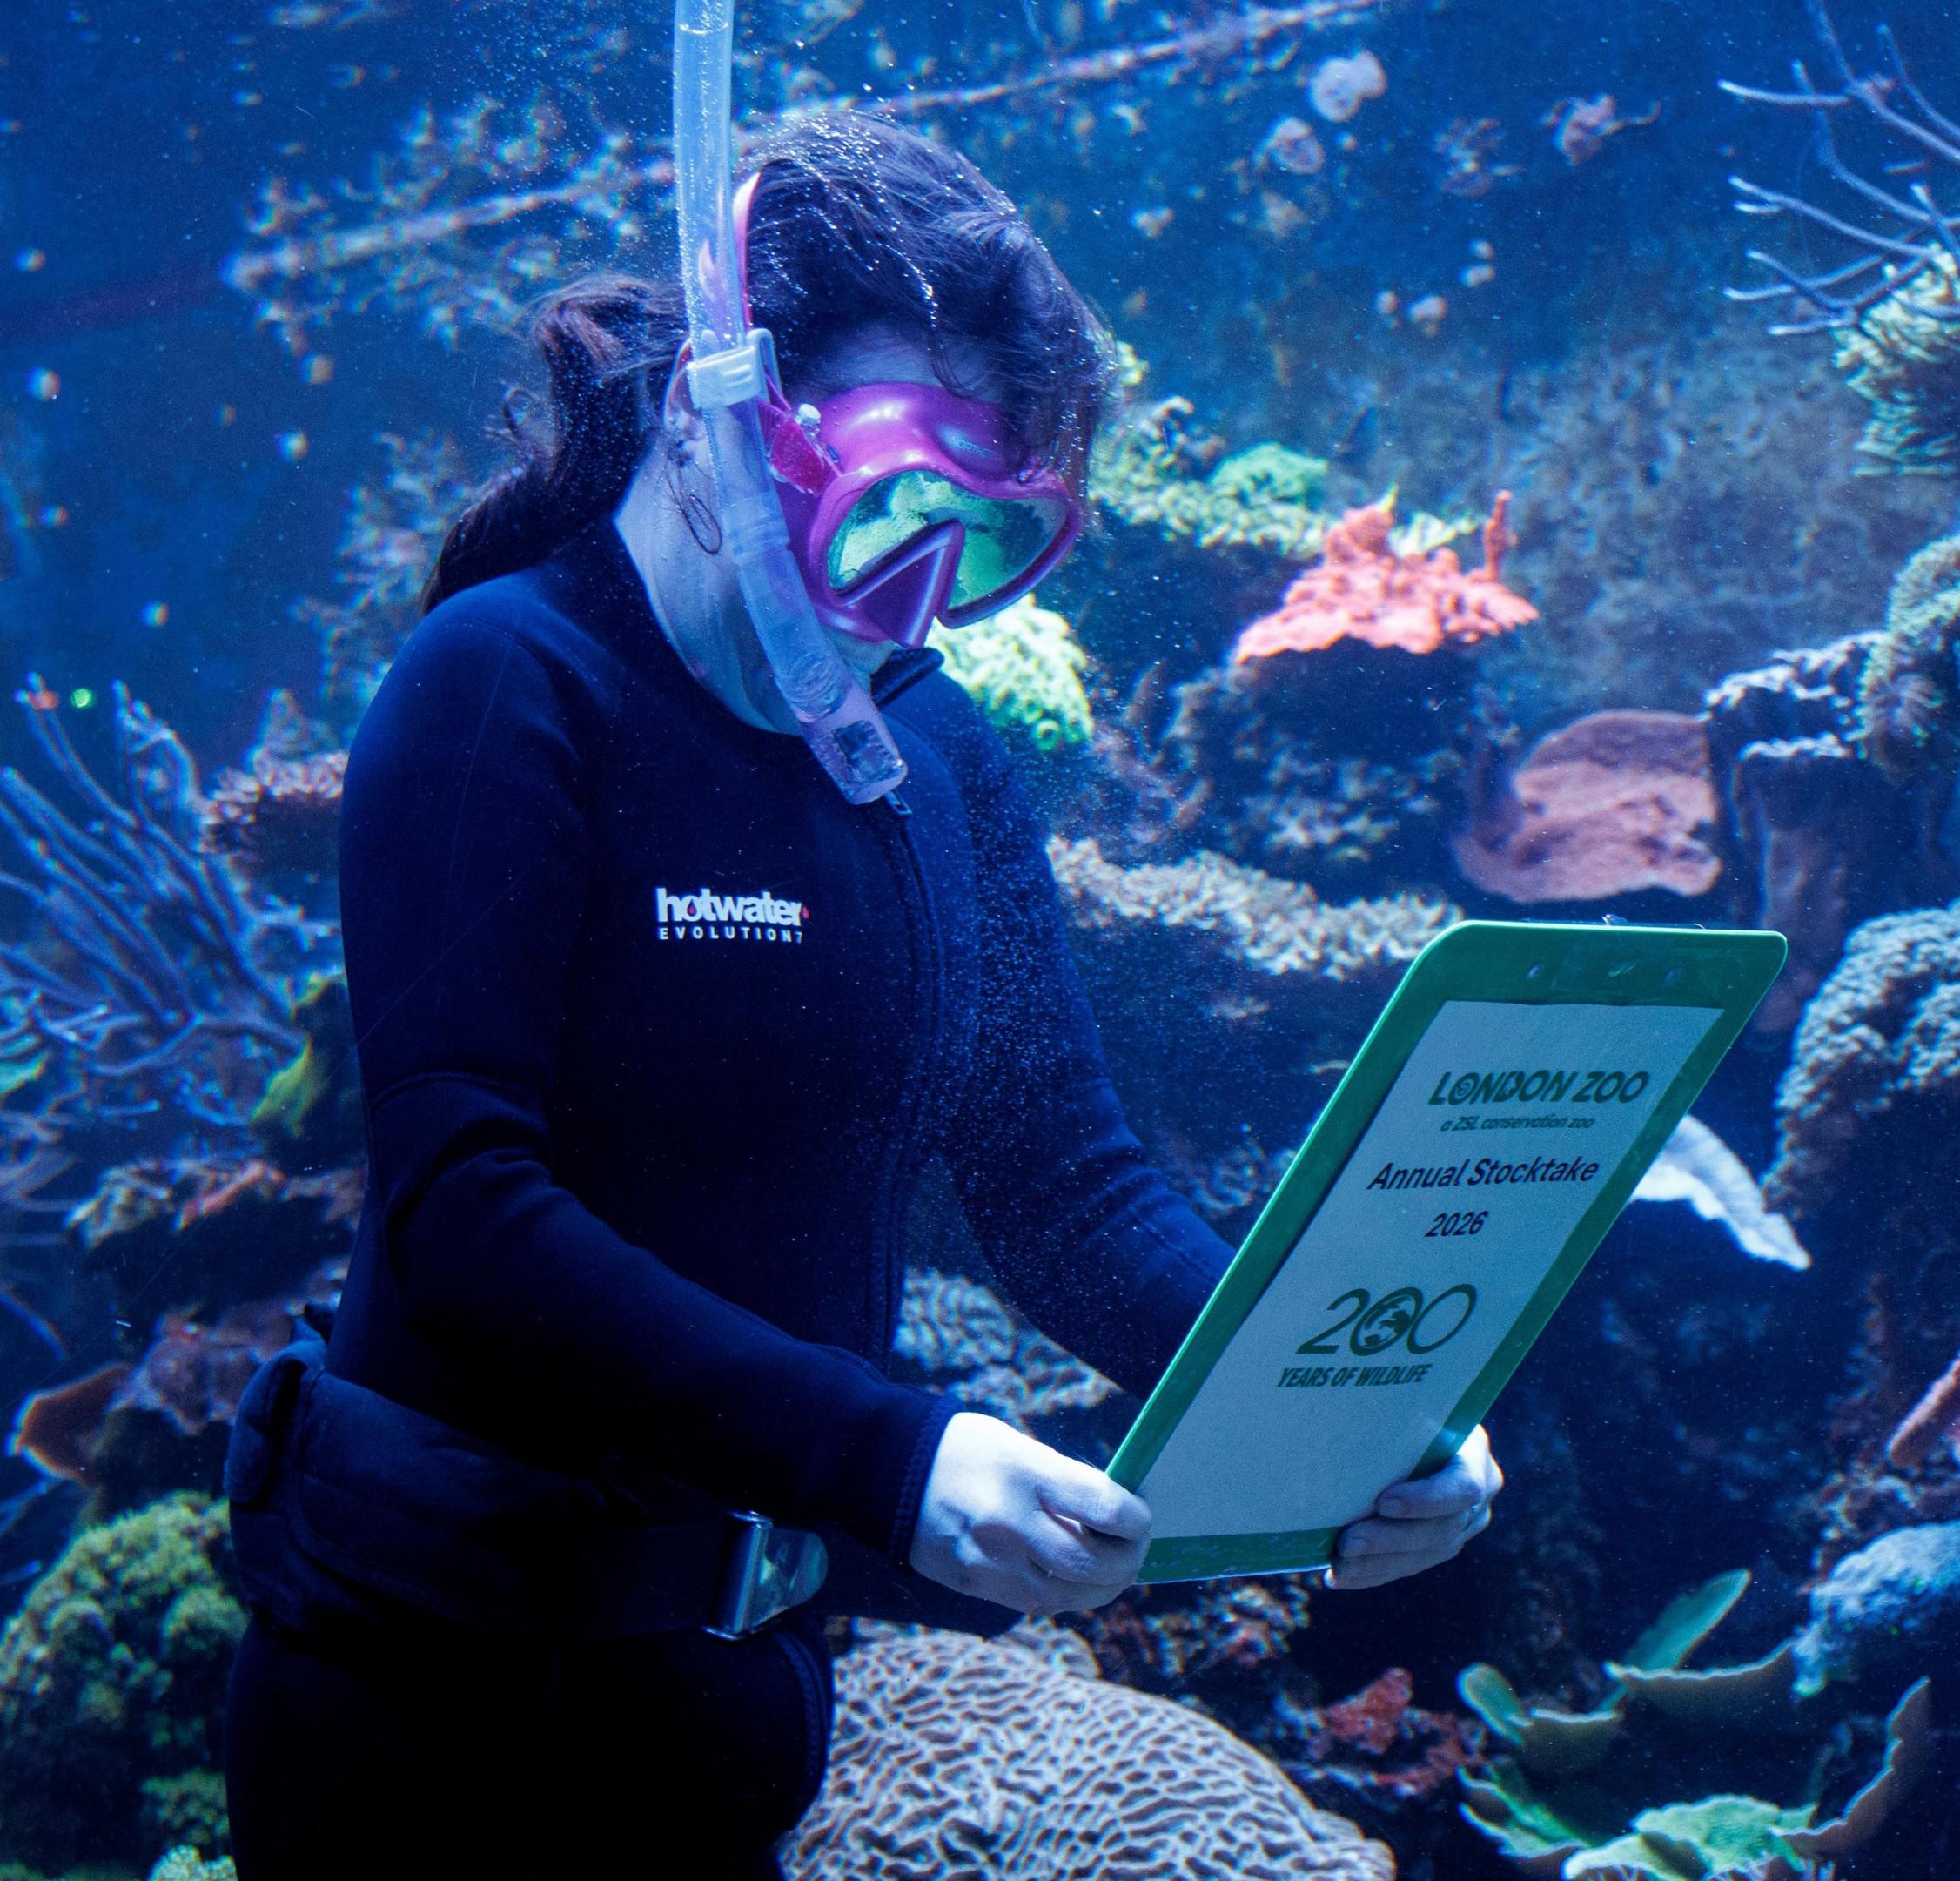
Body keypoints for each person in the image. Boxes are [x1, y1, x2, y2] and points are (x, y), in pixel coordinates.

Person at [217, 116, 1500, 1877]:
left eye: (986, 551)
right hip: (432, 1711)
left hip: (728, 1709)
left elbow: (1064, 1176)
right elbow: (464, 1212)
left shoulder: (937, 749)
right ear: (713, 408)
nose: (914, 608)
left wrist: (1343, 1413)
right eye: (889, 510)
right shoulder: (501, 683)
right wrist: (894, 1454)